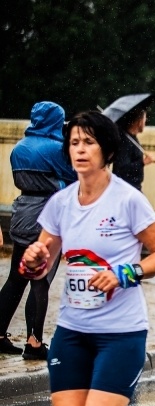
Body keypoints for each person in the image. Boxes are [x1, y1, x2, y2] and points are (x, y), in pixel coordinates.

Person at [20, 110, 155, 406]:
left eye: (88, 142)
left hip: (121, 333)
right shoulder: (61, 203)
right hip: (72, 331)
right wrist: (35, 259)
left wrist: (126, 273)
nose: (80, 150)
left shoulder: (127, 199)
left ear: (106, 150)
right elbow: (44, 255)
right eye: (74, 142)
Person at [0, 101, 76, 359]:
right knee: (41, 280)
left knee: (16, 278)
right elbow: (73, 176)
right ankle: (34, 342)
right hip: (47, 215)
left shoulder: (19, 148)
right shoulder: (56, 149)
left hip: (21, 212)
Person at [113, 108, 155, 190]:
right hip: (126, 188)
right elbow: (121, 169)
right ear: (139, 121)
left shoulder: (132, 139)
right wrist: (142, 162)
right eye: (144, 118)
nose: (145, 122)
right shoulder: (125, 141)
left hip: (133, 187)